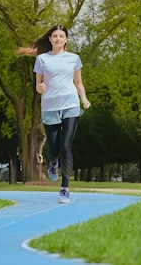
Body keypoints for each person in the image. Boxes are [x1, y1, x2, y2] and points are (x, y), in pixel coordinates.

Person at [17, 25, 91, 203]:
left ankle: (64, 188)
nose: (58, 38)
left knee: (66, 146)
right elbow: (38, 85)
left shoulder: (74, 58)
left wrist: (84, 99)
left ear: (66, 39)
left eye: (61, 36)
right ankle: (53, 162)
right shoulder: (42, 59)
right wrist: (40, 87)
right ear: (50, 39)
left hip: (71, 104)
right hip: (50, 106)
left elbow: (78, 83)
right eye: (55, 36)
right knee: (54, 149)